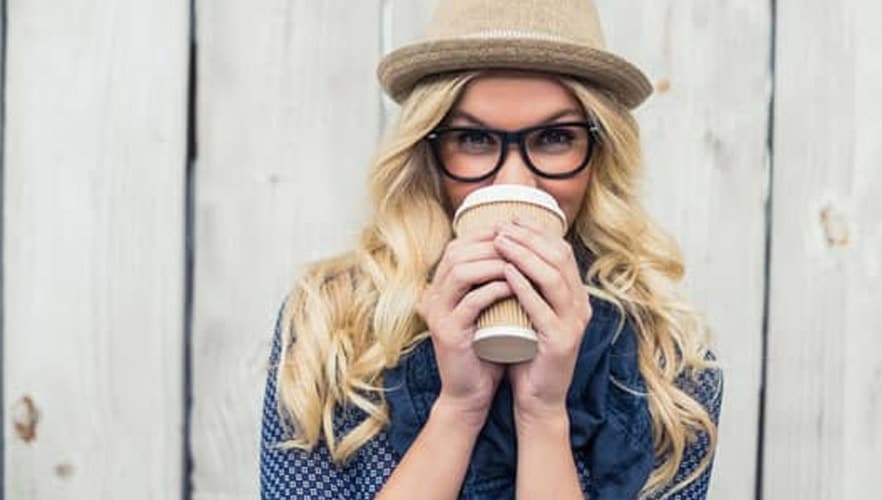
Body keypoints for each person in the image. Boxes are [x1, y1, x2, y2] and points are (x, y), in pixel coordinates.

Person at [259, 0, 723, 498]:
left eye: (554, 137)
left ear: (598, 153)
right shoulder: (330, 329)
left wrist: (542, 413)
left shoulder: (670, 371)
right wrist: (460, 408)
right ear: (429, 152)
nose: (515, 180)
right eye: (475, 138)